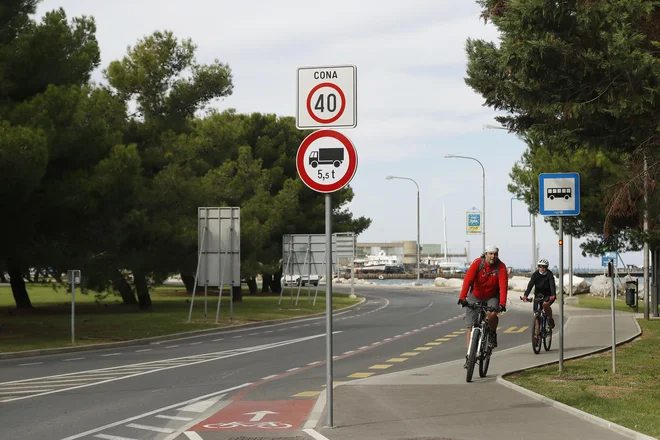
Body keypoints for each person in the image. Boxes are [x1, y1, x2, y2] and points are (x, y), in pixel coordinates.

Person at [458, 245, 508, 355]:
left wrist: (502, 304)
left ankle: (492, 334)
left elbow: (503, 286)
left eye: (495, 254)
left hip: (492, 295)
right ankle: (469, 355)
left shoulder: (501, 267)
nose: (493, 256)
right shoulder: (478, 263)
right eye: (490, 254)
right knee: (471, 326)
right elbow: (468, 279)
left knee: (492, 313)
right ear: (485, 254)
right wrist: (462, 297)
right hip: (475, 295)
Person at [522, 258, 556, 329]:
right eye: (540, 266)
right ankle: (536, 336)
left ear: (547, 267)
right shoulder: (535, 275)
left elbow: (552, 285)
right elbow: (530, 285)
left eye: (544, 267)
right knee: (537, 314)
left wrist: (553, 295)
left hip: (548, 295)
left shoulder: (549, 274)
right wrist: (525, 295)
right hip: (538, 295)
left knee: (545, 305)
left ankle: (550, 319)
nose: (542, 268)